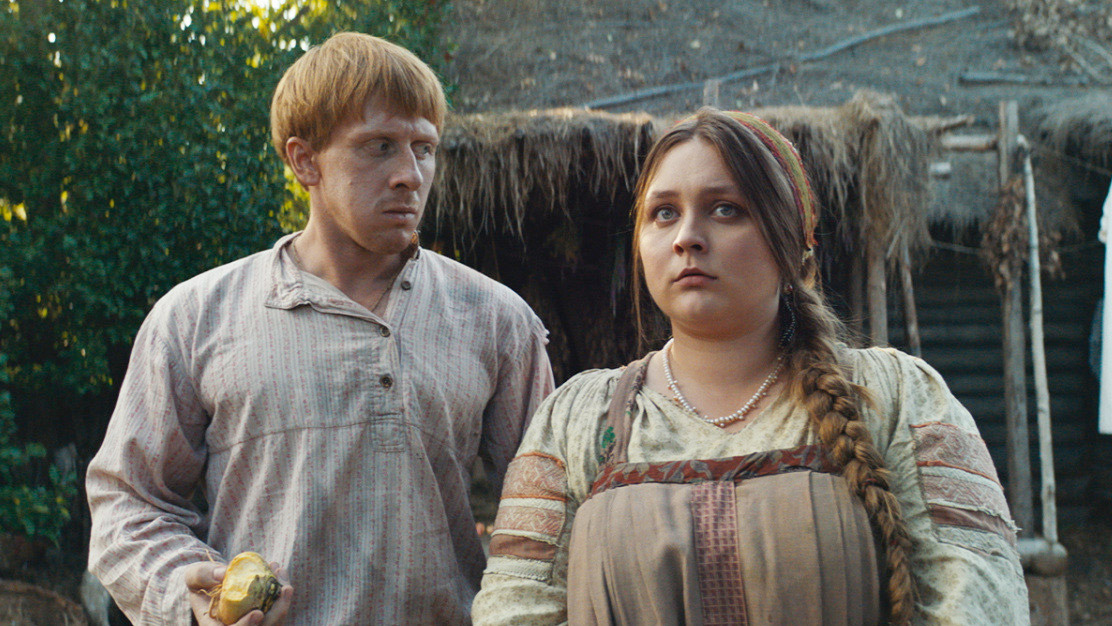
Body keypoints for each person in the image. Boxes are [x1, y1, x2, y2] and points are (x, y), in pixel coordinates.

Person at [471, 109, 1029, 625]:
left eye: (725, 209)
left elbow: (977, 599)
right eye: (664, 213)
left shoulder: (896, 396)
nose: (687, 237)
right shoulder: (578, 420)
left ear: (793, 243)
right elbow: (514, 607)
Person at [86, 32, 554, 625]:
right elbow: (128, 504)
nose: (410, 174)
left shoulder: (496, 320)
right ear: (304, 160)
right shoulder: (195, 318)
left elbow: (552, 514)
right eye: (379, 146)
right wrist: (188, 597)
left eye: (424, 148)